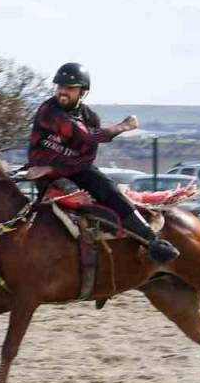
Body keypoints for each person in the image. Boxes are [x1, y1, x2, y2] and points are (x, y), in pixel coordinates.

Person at [26, 62, 179, 264]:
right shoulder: (49, 111)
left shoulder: (90, 117)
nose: (62, 92)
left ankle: (152, 242)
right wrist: (123, 126)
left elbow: (86, 158)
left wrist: (53, 166)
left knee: (109, 190)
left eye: (70, 88)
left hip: (71, 169)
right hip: (44, 176)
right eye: (60, 87)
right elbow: (87, 137)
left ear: (83, 92)